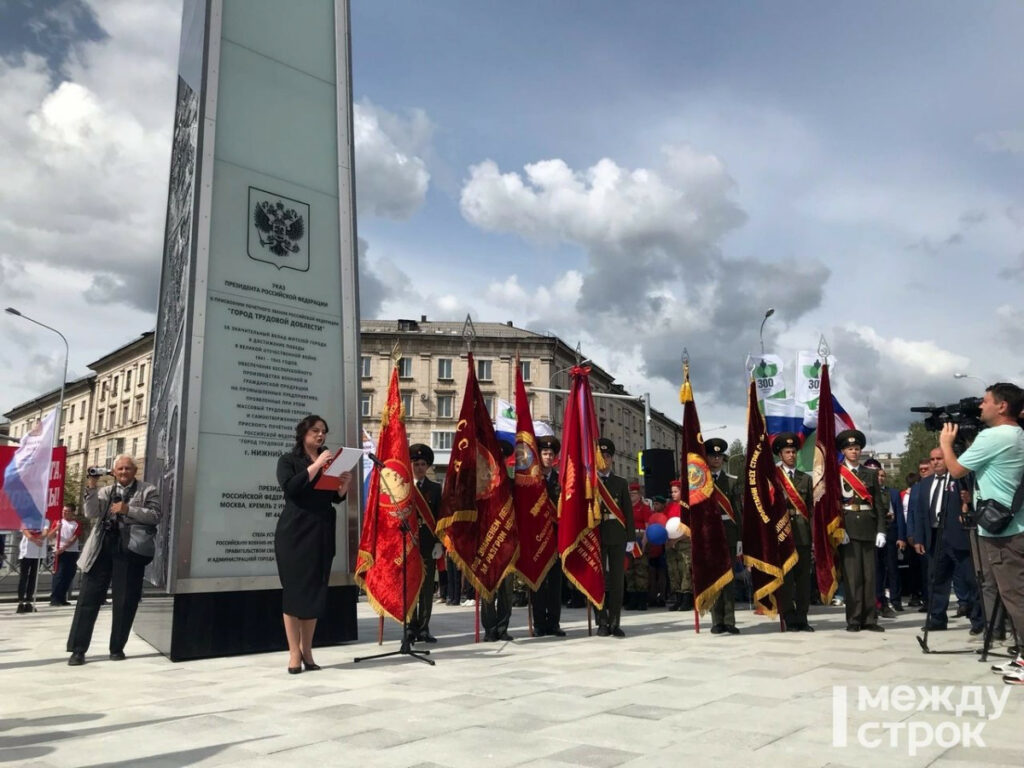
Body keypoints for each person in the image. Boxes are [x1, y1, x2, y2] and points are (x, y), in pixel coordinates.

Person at [939, 383, 1024, 684]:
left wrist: (947, 443)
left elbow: (957, 470)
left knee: (1014, 595)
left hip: (1004, 532)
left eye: (986, 401)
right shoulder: (1017, 434)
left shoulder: (995, 435)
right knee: (1012, 593)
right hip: (1012, 525)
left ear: (1002, 407)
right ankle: (1020, 654)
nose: (980, 406)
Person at [274, 416, 351, 674]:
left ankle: (307, 650)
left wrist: (343, 487)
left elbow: (330, 497)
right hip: (295, 531)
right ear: (303, 433)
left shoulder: (328, 464)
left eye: (324, 432)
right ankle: (294, 652)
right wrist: (318, 464)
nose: (321, 436)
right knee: (295, 591)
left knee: (315, 591)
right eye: (316, 431)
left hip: (321, 530)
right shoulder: (288, 460)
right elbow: (292, 488)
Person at [67, 454, 161, 665]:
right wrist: (91, 486)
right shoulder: (106, 491)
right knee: (88, 598)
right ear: (114, 471)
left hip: (131, 549)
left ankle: (117, 647)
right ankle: (78, 649)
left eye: (128, 469)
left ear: (135, 471)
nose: (123, 473)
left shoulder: (147, 490)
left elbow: (156, 516)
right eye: (119, 469)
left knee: (126, 600)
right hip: (102, 546)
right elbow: (90, 512)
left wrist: (128, 510)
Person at [835, 430, 887, 633]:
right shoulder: (837, 473)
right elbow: (834, 505)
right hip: (848, 526)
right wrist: (839, 528)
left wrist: (881, 530)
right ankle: (854, 619)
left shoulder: (870, 474)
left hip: (868, 526)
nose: (854, 452)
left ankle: (870, 618)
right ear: (843, 451)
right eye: (850, 449)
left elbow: (879, 506)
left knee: (869, 576)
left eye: (857, 449)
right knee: (852, 577)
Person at [774, 433, 815, 631]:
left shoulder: (805, 479)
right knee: (787, 580)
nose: (791, 455)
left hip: (803, 534)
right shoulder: (773, 478)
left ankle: (803, 617)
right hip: (782, 535)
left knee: (803, 579)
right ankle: (789, 616)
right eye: (787, 452)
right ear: (780, 455)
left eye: (793, 452)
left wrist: (814, 537)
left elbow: (811, 510)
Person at [594, 438, 634, 638]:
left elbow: (628, 511)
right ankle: (601, 622)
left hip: (617, 535)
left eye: (607, 456)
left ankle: (615, 622)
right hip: (596, 535)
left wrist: (631, 538)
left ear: (612, 459)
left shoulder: (621, 482)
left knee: (617, 581)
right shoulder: (589, 482)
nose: (604, 459)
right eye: (601, 456)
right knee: (598, 581)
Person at [706, 437, 743, 634]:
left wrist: (739, 538)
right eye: (713, 456)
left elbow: (737, 510)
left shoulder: (731, 481)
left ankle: (730, 620)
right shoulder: (700, 481)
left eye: (720, 456)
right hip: (710, 534)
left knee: (728, 579)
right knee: (714, 578)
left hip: (728, 532)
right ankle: (716, 621)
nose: (717, 459)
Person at [408, 443, 442, 644]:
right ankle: (410, 627)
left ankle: (423, 627)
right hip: (408, 545)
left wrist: (439, 542)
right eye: (415, 463)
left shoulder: (435, 489)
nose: (419, 467)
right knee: (410, 587)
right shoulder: (402, 487)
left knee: (427, 589)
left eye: (422, 464)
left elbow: (440, 516)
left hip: (428, 545)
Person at [531, 435, 565, 636]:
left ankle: (554, 623)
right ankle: (539, 623)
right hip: (536, 538)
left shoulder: (561, 480)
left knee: (555, 583)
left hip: (556, 537)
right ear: (539, 455)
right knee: (538, 582)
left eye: (551, 453)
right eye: (544, 453)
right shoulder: (531, 480)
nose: (548, 456)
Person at [862, 459, 902, 619]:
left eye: (877, 473)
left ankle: (884, 602)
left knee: (885, 570)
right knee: (870, 571)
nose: (876, 477)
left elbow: (894, 514)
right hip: (866, 533)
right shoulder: (862, 490)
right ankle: (872, 603)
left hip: (884, 533)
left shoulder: (887, 492)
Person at [664, 482, 693, 611]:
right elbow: (664, 523)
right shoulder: (669, 507)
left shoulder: (687, 506)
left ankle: (687, 599)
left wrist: (677, 539)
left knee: (685, 569)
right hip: (670, 543)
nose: (673, 494)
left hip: (684, 542)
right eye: (672, 492)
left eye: (676, 491)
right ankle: (677, 598)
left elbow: (691, 527)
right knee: (673, 570)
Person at [49, 503, 83, 606]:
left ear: (72, 512)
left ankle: (62, 598)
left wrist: (64, 547)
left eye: (67, 511)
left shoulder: (76, 524)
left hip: (71, 552)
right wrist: (56, 529)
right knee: (59, 575)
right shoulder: (58, 522)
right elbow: (50, 535)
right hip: (59, 553)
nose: (65, 513)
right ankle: (55, 599)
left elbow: (74, 538)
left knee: (69, 575)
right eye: (64, 511)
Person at [624, 483, 651, 611]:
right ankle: (632, 598)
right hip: (629, 538)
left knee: (641, 569)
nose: (631, 496)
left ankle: (642, 600)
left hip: (640, 538)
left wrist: (645, 542)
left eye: (633, 494)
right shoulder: (625, 507)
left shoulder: (644, 507)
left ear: (639, 495)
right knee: (629, 569)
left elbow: (648, 526)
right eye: (629, 494)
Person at [17, 523, 49, 613]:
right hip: (26, 553)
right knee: (23, 578)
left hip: (38, 553)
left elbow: (45, 533)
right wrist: (36, 541)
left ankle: (28, 601)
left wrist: (39, 539)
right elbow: (26, 533)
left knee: (33, 577)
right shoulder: (26, 520)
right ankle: (20, 602)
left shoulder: (44, 520)